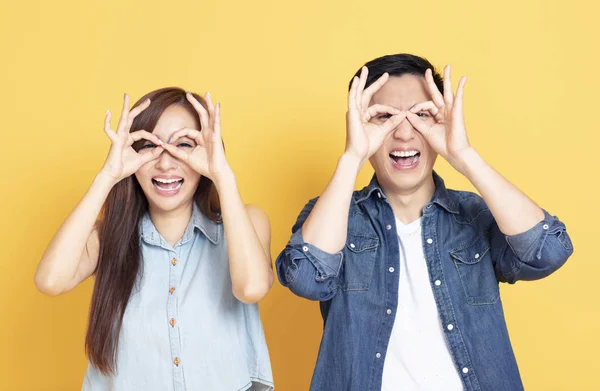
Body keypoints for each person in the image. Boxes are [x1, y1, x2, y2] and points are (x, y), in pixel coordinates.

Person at [275, 54, 573, 391]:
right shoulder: (332, 214)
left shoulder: (475, 214)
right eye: (384, 116)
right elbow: (305, 278)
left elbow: (548, 251)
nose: (403, 132)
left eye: (421, 115)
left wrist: (463, 155)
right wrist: (351, 156)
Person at [34, 88, 274, 391]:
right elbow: (50, 280)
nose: (165, 164)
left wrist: (221, 173)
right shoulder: (107, 237)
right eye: (150, 145)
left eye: (183, 145)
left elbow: (251, 288)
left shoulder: (246, 223)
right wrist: (108, 175)